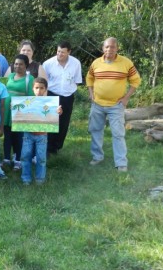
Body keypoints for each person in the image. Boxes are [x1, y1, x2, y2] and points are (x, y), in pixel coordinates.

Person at [86, 37, 141, 172]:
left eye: (112, 47)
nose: (109, 49)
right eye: (107, 47)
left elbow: (136, 81)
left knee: (118, 133)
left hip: (116, 105)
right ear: (103, 48)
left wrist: (126, 98)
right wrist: (91, 93)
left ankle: (121, 163)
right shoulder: (96, 63)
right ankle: (97, 157)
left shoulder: (126, 63)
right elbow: (89, 78)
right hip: (97, 104)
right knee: (95, 131)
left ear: (117, 48)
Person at [20, 78, 62, 185]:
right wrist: (16, 108)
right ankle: (26, 178)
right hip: (27, 134)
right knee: (25, 156)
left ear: (46, 89)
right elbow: (20, 111)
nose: (39, 91)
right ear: (33, 88)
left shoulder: (50, 103)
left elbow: (54, 114)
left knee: (41, 158)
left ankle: (40, 179)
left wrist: (58, 112)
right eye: (36, 88)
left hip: (42, 135)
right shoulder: (27, 101)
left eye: (41, 88)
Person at [43, 41, 82, 155]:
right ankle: (48, 148)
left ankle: (57, 147)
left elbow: (77, 81)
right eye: (58, 51)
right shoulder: (48, 63)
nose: (60, 54)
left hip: (67, 97)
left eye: (63, 52)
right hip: (51, 94)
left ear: (69, 52)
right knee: (50, 122)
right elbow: (44, 82)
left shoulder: (76, 63)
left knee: (63, 123)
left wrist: (69, 91)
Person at [3, 54, 35, 170]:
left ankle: (17, 159)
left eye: (21, 64)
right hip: (7, 111)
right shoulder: (10, 76)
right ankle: (6, 158)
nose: (18, 66)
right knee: (7, 135)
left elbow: (31, 97)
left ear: (26, 65)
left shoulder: (29, 79)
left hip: (20, 111)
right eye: (16, 64)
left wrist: (19, 105)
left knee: (18, 136)